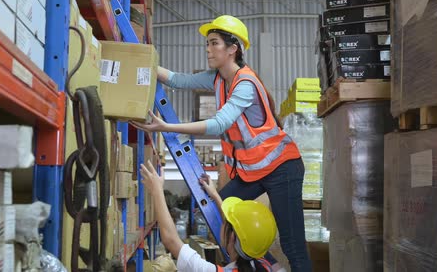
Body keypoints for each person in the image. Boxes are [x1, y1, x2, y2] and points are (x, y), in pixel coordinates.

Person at [131, 15, 312, 271]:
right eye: (207, 43)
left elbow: (219, 123)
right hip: (254, 172)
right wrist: (143, 62)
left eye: (214, 43)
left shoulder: (246, 84)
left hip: (282, 169)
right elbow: (178, 80)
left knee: (292, 246)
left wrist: (166, 127)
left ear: (232, 49)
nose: (208, 48)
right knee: (220, 216)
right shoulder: (217, 78)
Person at [140, 161, 278, 272]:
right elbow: (238, 229)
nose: (222, 222)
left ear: (232, 237)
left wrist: (157, 190)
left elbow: (171, 240)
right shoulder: (267, 265)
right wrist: (214, 194)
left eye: (226, 223)